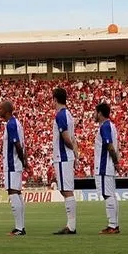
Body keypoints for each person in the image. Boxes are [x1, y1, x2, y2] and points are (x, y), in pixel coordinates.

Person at [51, 88, 80, 235]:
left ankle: (71, 226)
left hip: (62, 157)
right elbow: (72, 138)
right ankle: (71, 224)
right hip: (66, 156)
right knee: (65, 190)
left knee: (67, 191)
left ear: (55, 99)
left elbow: (66, 137)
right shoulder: (68, 114)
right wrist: (75, 152)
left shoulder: (61, 115)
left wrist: (73, 151)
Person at [0, 100, 27, 236]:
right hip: (16, 163)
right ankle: (21, 226)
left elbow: (17, 144)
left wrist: (23, 161)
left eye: (1, 109)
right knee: (17, 193)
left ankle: (19, 228)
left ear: (7, 111)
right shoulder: (17, 123)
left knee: (13, 192)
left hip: (12, 163)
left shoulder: (11, 124)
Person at [94, 103, 120, 234]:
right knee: (112, 195)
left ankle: (112, 225)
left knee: (108, 195)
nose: (94, 115)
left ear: (99, 113)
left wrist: (116, 162)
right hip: (108, 166)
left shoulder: (105, 127)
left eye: (95, 112)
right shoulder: (112, 126)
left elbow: (109, 145)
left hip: (104, 166)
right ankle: (114, 224)